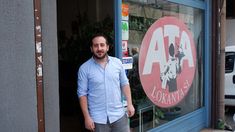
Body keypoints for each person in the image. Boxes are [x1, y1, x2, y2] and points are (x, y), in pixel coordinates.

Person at [77, 33, 135, 132]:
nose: (99, 48)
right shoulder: (84, 69)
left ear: (107, 47)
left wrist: (130, 104)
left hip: (119, 116)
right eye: (96, 45)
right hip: (98, 120)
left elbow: (124, 84)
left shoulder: (117, 63)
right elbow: (82, 94)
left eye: (102, 45)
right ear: (91, 48)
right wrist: (87, 117)